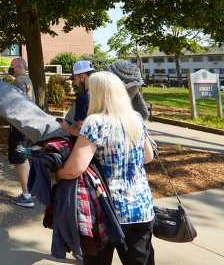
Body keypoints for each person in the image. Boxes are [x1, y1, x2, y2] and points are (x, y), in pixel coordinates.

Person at [56, 71, 156, 265]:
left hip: (106, 211)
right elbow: (148, 157)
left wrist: (56, 173)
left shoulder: (95, 123)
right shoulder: (135, 118)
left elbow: (75, 168)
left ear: (97, 93)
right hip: (142, 208)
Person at [7, 57, 36, 208]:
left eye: (12, 66)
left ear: (19, 67)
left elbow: (17, 104)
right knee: (25, 157)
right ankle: (29, 190)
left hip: (20, 127)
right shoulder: (27, 80)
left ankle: (26, 196)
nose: (10, 68)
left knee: (20, 159)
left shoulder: (19, 82)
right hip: (27, 125)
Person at [60, 60, 95, 136]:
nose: (74, 83)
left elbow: (82, 133)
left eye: (74, 79)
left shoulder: (83, 98)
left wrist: (66, 128)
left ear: (82, 77)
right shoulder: (102, 93)